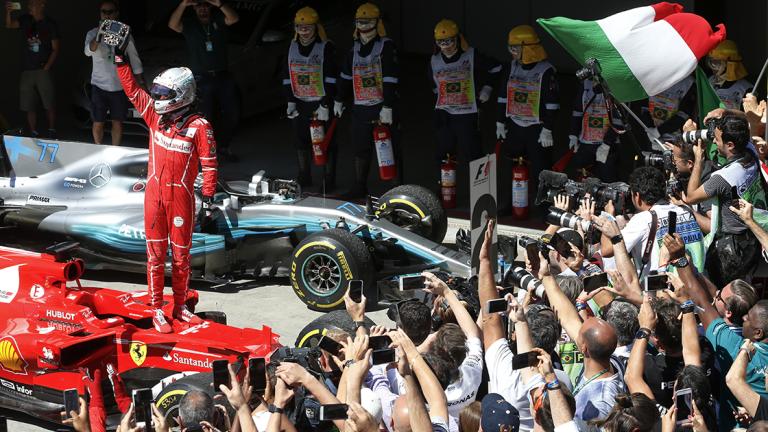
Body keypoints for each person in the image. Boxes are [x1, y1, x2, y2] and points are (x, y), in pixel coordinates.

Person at [115, 29, 218, 334]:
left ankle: (181, 307)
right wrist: (120, 58)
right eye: (157, 92)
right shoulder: (154, 117)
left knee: (182, 256)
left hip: (182, 199)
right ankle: (156, 307)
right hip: (154, 197)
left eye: (163, 94)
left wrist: (209, 197)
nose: (157, 98)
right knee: (156, 257)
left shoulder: (199, 126)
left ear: (182, 95)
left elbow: (210, 165)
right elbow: (133, 90)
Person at [684, 110, 767, 287]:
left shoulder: (724, 178)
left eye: (717, 139)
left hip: (731, 250)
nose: (713, 141)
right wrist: (726, 112)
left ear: (729, 145)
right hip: (751, 241)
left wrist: (699, 159)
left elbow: (690, 197)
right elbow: (745, 119)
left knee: (727, 292)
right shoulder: (749, 151)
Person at [336, 2, 399, 199]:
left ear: (377, 22)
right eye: (360, 22)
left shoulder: (386, 46)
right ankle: (359, 187)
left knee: (389, 149)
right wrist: (338, 99)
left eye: (368, 21)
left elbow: (391, 78)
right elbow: (345, 76)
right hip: (360, 108)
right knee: (360, 148)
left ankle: (396, 190)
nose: (363, 26)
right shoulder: (354, 49)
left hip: (382, 107)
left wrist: (388, 106)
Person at [430, 18, 499, 193]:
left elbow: (496, 67)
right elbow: (432, 85)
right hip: (444, 114)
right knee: (443, 154)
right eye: (441, 42)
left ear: (458, 39)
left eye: (449, 41)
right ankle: (444, 192)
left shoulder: (471, 55)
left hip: (467, 114)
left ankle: (482, 193)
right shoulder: (434, 60)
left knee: (474, 153)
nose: (445, 46)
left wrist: (487, 88)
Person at [496, 24, 559, 212]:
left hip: (537, 129)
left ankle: (543, 209)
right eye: (510, 48)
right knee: (512, 166)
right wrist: (500, 121)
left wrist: (548, 128)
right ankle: (510, 203)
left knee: (541, 170)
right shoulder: (511, 67)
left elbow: (552, 104)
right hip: (515, 125)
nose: (512, 52)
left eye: (515, 48)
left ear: (528, 48)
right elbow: (502, 96)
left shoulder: (547, 71)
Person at [601, 166, 706, 278]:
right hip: (696, 284)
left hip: (662, 291)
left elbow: (607, 250)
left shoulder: (643, 219)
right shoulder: (685, 210)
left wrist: (608, 216)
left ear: (637, 196)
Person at [168, 0, 240, 161]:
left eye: (206, 5)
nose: (202, 9)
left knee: (232, 114)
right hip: (201, 77)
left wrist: (218, 3)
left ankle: (223, 147)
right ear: (193, 8)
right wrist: (183, 4)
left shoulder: (219, 20)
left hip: (222, 75)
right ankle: (204, 153)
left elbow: (233, 18)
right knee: (204, 117)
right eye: (198, 5)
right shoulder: (190, 24)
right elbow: (172, 25)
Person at [282, 7, 338, 189]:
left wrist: (325, 104)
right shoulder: (291, 47)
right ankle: (304, 176)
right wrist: (290, 101)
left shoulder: (326, 47)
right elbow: (286, 77)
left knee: (325, 143)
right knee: (300, 141)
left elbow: (331, 78)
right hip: (299, 103)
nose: (304, 31)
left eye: (308, 27)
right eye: (300, 26)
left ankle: (328, 180)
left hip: (320, 104)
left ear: (316, 27)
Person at [84, 1, 143, 146]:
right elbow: (87, 51)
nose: (107, 15)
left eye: (110, 12)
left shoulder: (124, 32)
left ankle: (115, 149)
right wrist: (99, 36)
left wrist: (141, 83)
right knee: (98, 121)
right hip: (99, 85)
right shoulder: (92, 33)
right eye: (104, 12)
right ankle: (98, 148)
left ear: (117, 13)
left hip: (119, 86)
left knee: (118, 122)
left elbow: (134, 60)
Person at [5, 0, 59, 138]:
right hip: (27, 70)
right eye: (29, 4)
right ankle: (33, 132)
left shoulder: (50, 24)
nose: (29, 7)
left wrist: (47, 66)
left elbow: (55, 49)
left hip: (42, 70)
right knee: (28, 105)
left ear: (42, 5)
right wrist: (8, 11)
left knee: (48, 103)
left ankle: (52, 130)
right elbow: (9, 25)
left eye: (33, 4)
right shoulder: (25, 20)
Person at [569, 78, 621, 182]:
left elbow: (619, 121)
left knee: (607, 180)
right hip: (585, 143)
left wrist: (607, 144)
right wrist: (573, 135)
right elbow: (577, 111)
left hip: (608, 145)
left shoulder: (616, 86)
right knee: (582, 178)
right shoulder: (585, 84)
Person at [707, 40, 752, 111]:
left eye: (716, 63)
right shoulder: (708, 82)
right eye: (710, 62)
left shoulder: (745, 89)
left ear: (729, 64)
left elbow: (750, 118)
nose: (712, 68)